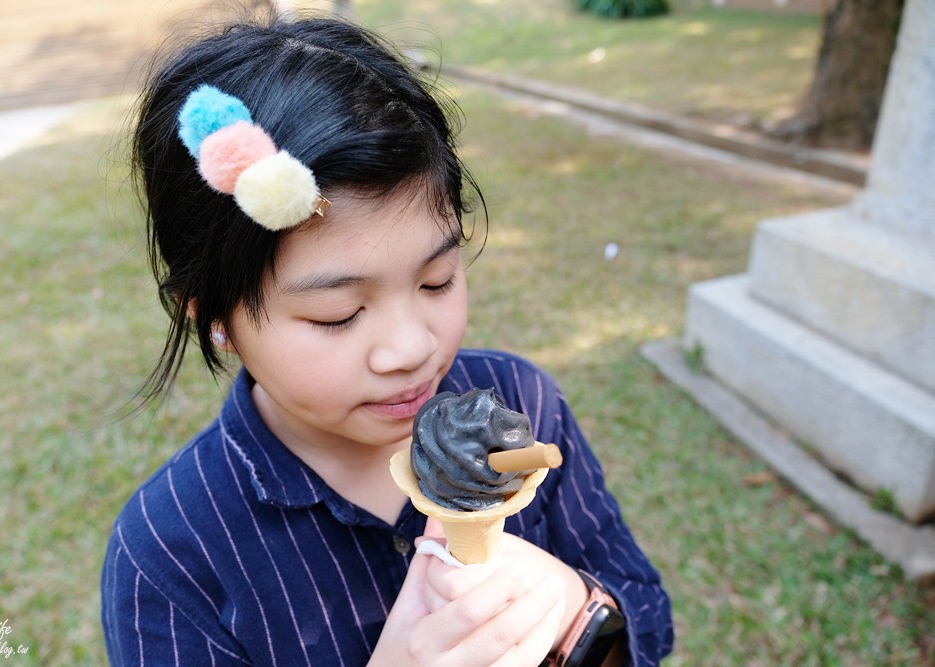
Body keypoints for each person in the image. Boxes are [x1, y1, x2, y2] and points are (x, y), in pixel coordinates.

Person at [100, 14, 674, 667]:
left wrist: (577, 607)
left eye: (436, 281)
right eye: (338, 314)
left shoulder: (523, 405)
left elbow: (645, 615)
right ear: (214, 319)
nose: (410, 349)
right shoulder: (172, 552)